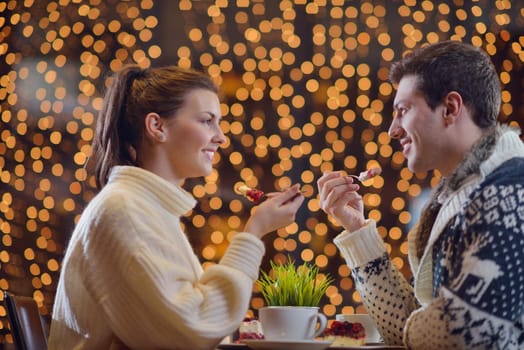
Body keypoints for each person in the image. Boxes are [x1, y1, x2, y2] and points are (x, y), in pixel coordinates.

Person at [48, 65, 304, 349]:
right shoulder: (123, 211)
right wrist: (254, 232)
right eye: (207, 121)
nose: (221, 137)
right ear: (157, 127)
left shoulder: (144, 208)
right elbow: (193, 328)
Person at [317, 40, 524, 349]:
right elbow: (412, 326)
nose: (392, 130)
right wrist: (357, 230)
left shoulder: (511, 190)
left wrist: (426, 320)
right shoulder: (457, 199)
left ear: (451, 108)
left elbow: (461, 333)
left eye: (403, 110)